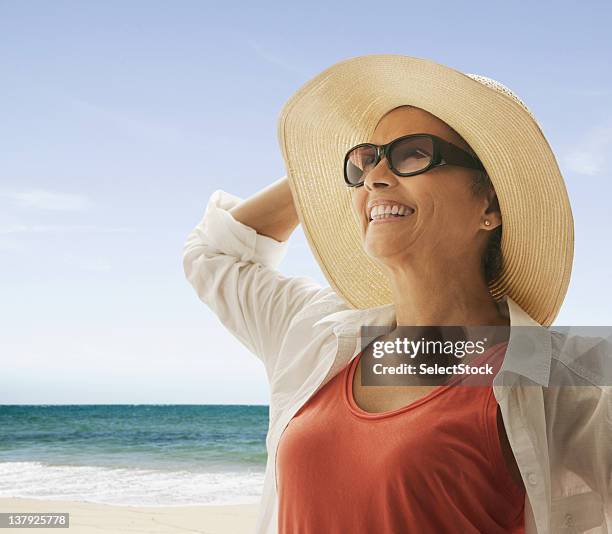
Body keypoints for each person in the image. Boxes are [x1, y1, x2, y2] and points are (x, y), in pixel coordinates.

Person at [183, 55, 611, 533]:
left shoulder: (565, 375)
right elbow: (214, 253)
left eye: (413, 153)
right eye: (365, 161)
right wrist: (323, 171)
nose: (373, 177)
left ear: (489, 203)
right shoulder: (319, 333)